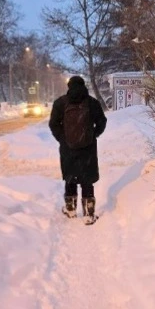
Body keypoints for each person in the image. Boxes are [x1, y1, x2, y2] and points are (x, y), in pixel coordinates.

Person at [49, 75, 107, 224]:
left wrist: (63, 139)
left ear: (69, 86)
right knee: (87, 180)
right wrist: (93, 135)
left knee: (70, 177)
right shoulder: (92, 103)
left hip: (68, 149)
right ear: (84, 85)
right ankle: (88, 214)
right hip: (88, 148)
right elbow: (102, 121)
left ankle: (70, 210)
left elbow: (53, 124)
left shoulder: (60, 103)